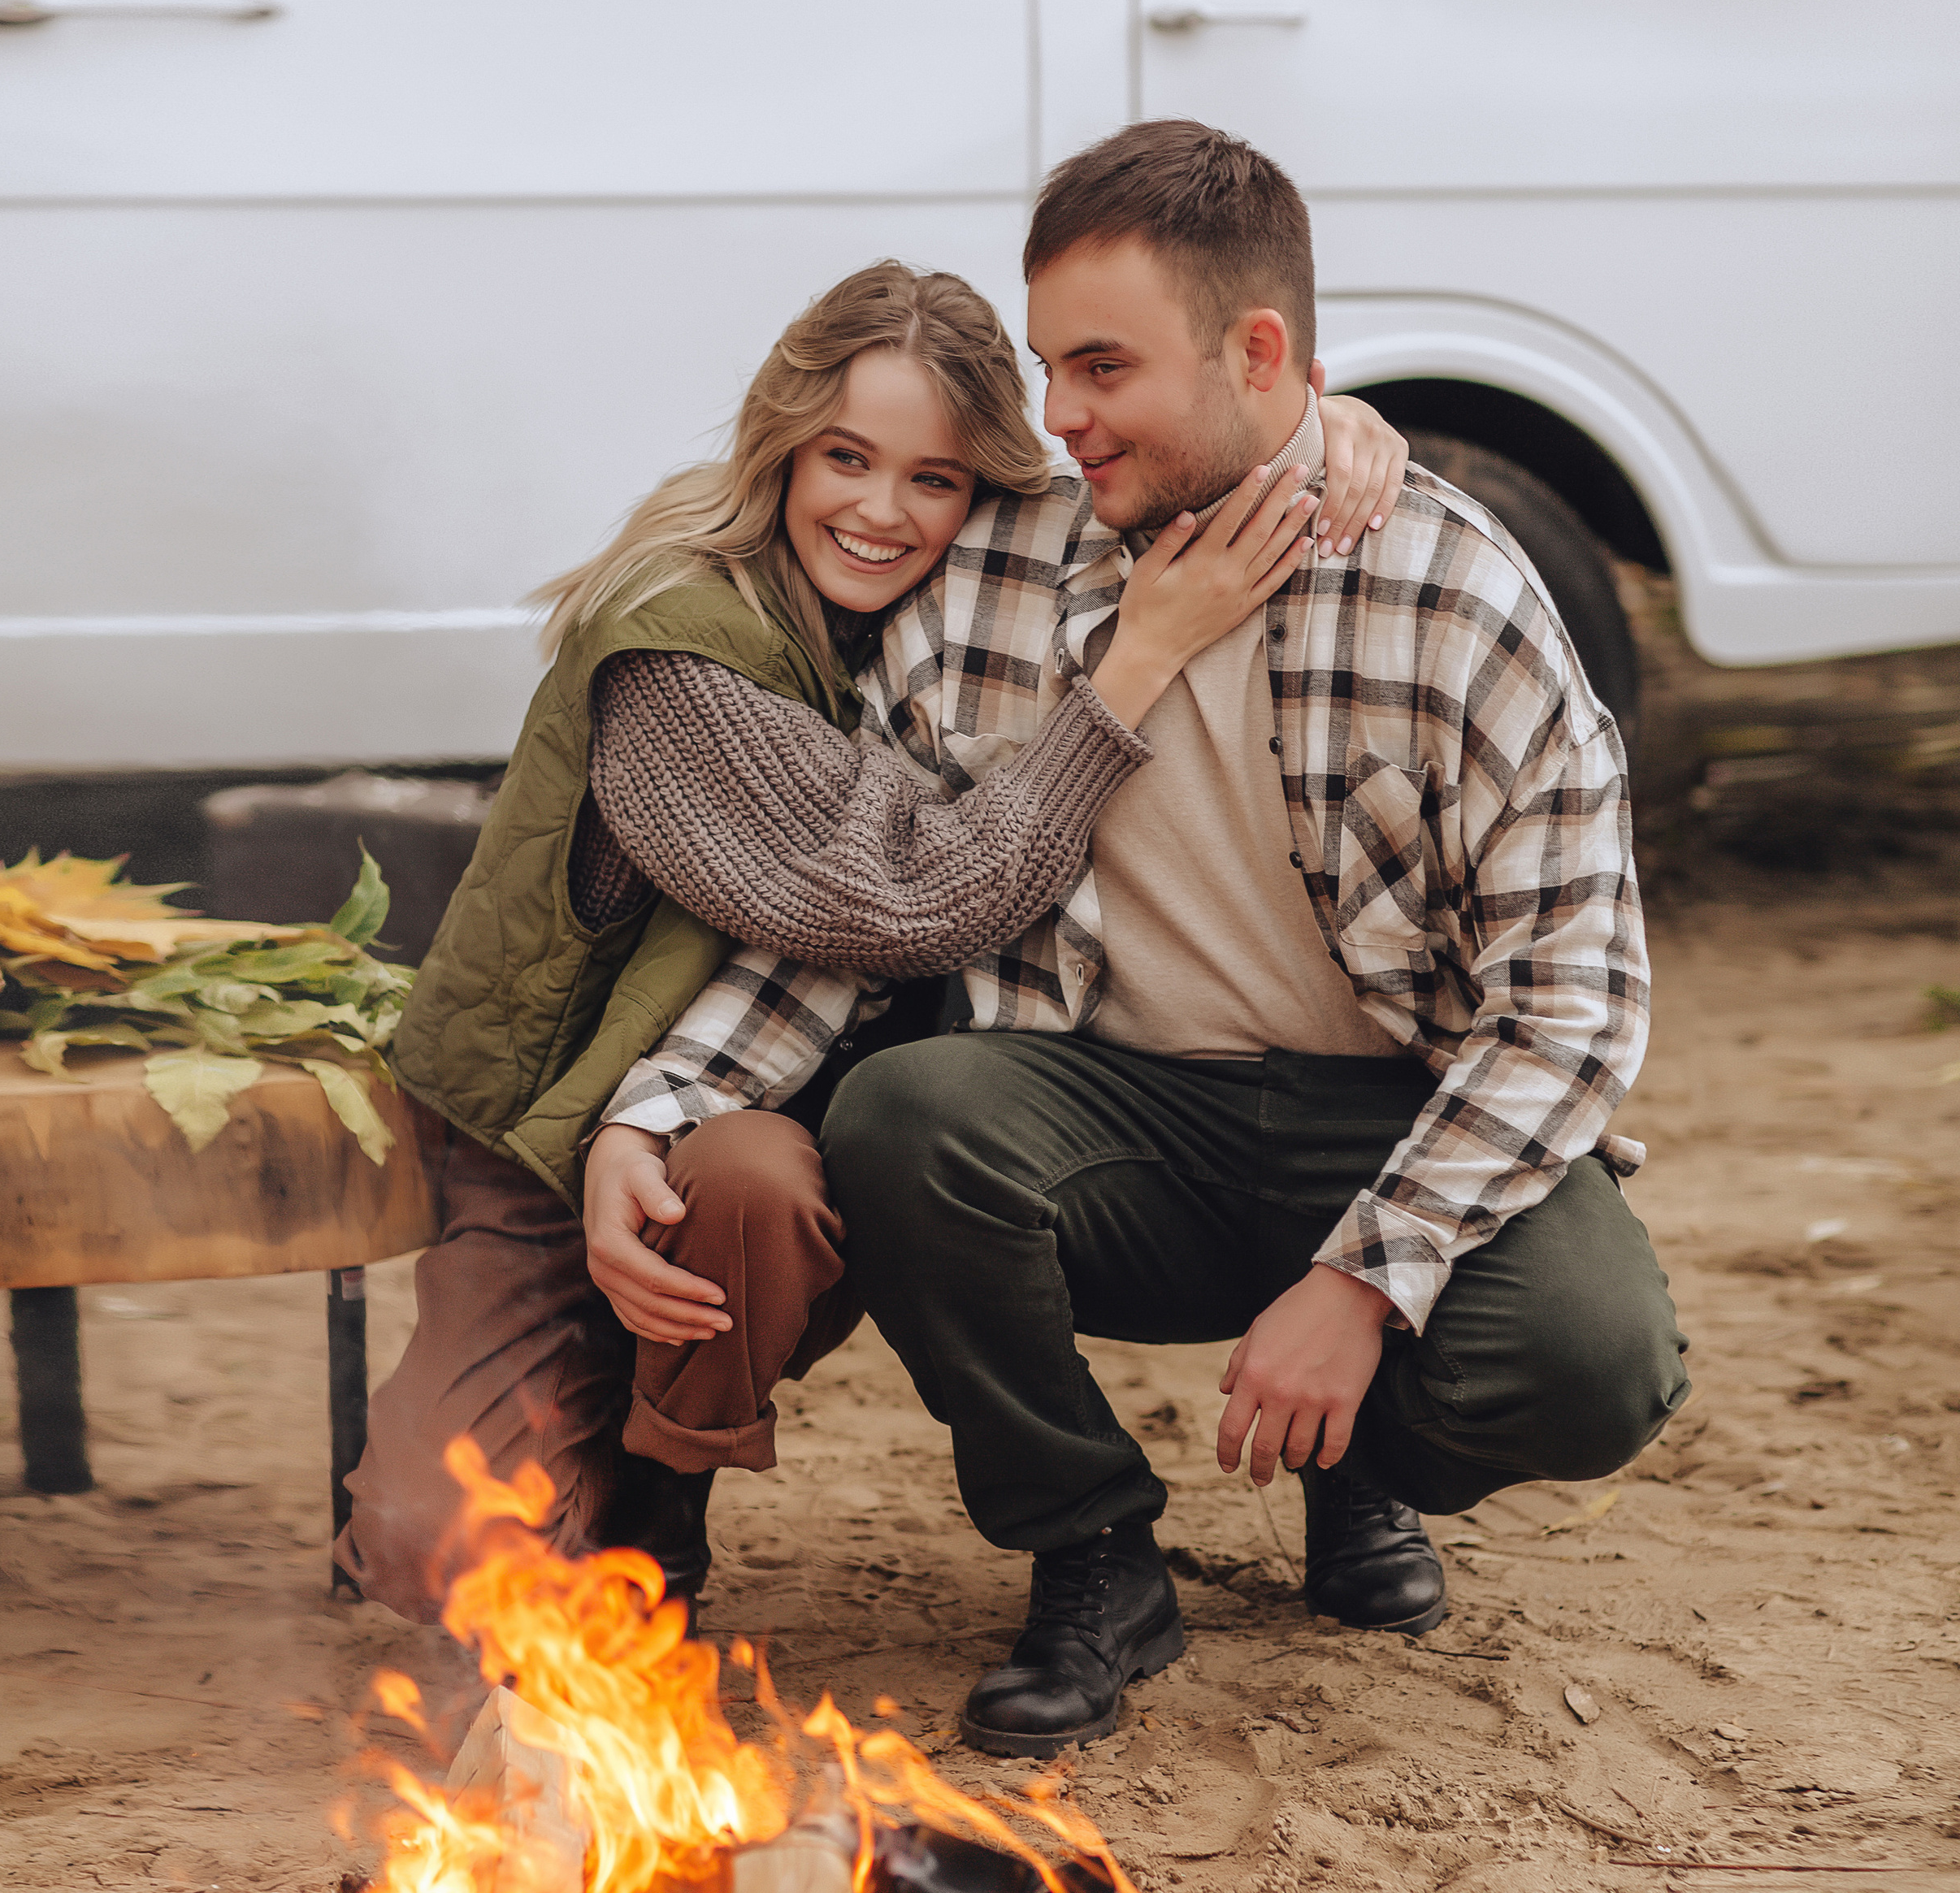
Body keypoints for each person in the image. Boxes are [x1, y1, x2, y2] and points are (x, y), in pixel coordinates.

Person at [585, 122, 1690, 1760]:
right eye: (1045, 370)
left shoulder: (1453, 595)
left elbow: (1576, 1011)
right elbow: (869, 902)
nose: (1056, 420)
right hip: (1119, 1120)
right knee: (908, 1117)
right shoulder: (1003, 579)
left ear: (1258, 354)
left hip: (1378, 1116)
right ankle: (1089, 1543)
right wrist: (655, 1107)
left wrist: (1366, 1288)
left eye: (1099, 368)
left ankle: (1361, 1458)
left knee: (1591, 1364)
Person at [336, 257, 1408, 1622]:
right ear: (783, 441)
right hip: (562, 1134)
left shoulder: (933, 582)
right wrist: (1132, 668)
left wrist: (1335, 437)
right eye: (845, 457)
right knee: (435, 1550)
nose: (882, 512)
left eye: (934, 479)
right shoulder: (681, 649)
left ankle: (666, 1484)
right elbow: (909, 903)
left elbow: (1146, 477)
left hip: (763, 1110)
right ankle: (583, 1425)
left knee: (761, 1185)